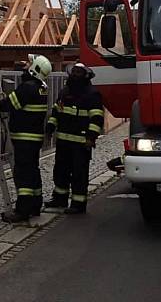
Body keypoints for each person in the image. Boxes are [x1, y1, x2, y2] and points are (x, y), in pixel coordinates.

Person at [0, 54, 52, 223]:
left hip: (24, 139)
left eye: (29, 63)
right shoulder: (41, 87)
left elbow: (9, 105)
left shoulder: (27, 88)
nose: (25, 65)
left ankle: (22, 211)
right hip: (34, 139)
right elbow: (18, 102)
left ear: (35, 69)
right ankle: (35, 205)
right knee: (33, 172)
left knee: (23, 174)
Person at [45, 62, 104, 214]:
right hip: (63, 141)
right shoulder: (65, 92)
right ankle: (60, 198)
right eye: (74, 72)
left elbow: (97, 118)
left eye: (79, 72)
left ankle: (78, 204)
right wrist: (50, 127)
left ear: (85, 75)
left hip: (81, 143)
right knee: (60, 171)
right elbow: (56, 111)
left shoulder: (92, 94)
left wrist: (91, 138)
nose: (75, 74)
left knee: (79, 174)